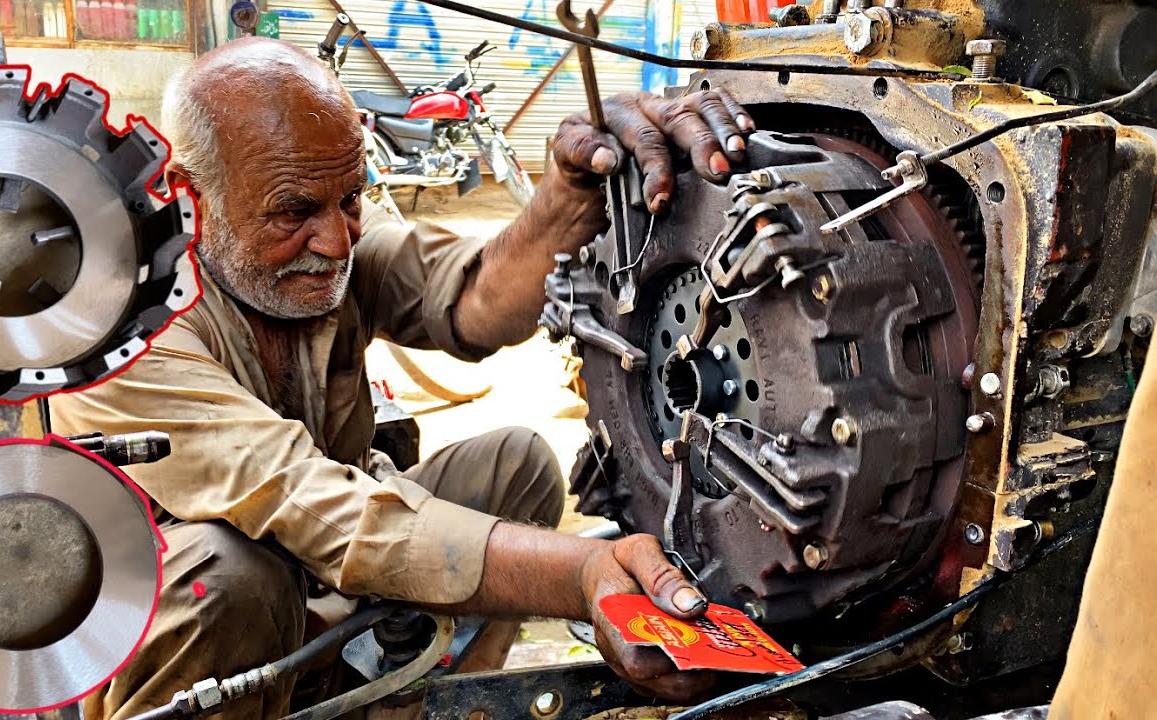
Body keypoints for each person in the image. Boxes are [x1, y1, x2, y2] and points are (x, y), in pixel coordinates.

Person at [49, 36, 756, 720]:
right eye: (295, 212)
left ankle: (415, 708)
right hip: (202, 624)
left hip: (320, 585)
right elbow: (313, 503)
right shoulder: (118, 324)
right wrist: (581, 575)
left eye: (351, 198)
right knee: (223, 574)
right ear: (187, 196)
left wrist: (571, 195)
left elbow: (475, 299)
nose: (337, 240)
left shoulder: (324, 238)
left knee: (516, 466)